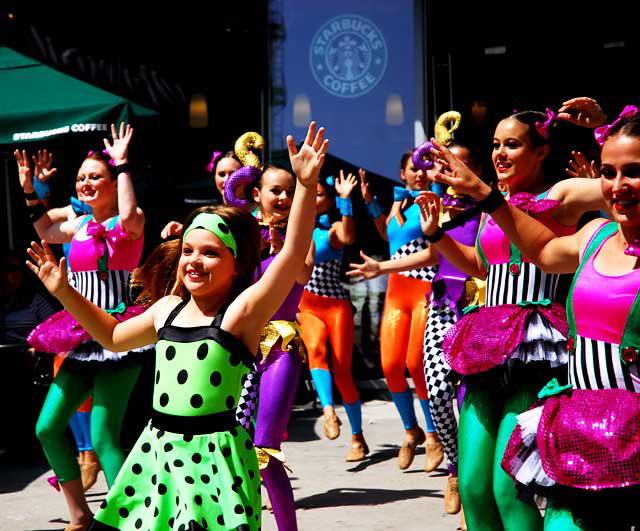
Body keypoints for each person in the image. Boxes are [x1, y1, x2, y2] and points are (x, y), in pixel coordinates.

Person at [26, 122, 327, 531]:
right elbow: (112, 337)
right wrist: (65, 293)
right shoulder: (167, 308)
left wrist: (306, 186)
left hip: (216, 458)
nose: (194, 261)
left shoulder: (242, 313)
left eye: (210, 253)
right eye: (188, 250)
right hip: (157, 453)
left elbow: (292, 255)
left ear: (237, 264)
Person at [429, 103, 640, 530]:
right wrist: (441, 230)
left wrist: (606, 129)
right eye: (495, 145)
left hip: (537, 350)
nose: (500, 153)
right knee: (472, 486)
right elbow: (498, 262)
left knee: (509, 490)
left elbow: (609, 191)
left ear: (541, 151)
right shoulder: (582, 233)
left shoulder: (559, 196)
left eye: (512, 144)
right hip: (493, 346)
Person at [16, 123, 146, 531]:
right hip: (81, 337)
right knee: (47, 427)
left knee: (106, 436)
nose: (86, 183)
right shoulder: (82, 226)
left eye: (95, 177)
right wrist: (29, 190)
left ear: (113, 182)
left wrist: (122, 163)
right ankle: (80, 514)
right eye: (81, 178)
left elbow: (127, 213)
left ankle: (131, 520)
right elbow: (45, 230)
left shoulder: (131, 222)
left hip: (118, 335)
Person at [349, 143, 482, 515]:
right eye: (443, 163)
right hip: (441, 300)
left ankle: (468, 478)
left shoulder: (491, 204)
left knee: (469, 397)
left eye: (461, 162)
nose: (448, 169)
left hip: (483, 306)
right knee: (433, 387)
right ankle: (445, 454)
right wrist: (383, 267)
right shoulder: (433, 207)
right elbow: (428, 250)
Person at [235, 162, 314, 531]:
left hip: (281, 346)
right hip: (240, 347)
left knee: (264, 450)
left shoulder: (301, 234)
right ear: (257, 195)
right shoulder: (244, 234)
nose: (283, 197)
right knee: (234, 446)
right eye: (275, 190)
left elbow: (302, 273)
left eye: (288, 191)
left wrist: (284, 245)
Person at [354, 153, 443, 471]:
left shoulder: (435, 202)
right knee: (391, 366)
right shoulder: (398, 204)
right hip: (395, 294)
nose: (419, 174)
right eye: (413, 169)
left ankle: (434, 435)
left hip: (424, 290)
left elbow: (436, 248)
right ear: (402, 173)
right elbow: (387, 234)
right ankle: (412, 431)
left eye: (424, 169)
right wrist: (370, 204)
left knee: (417, 364)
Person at [298, 171, 369, 462]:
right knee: (314, 351)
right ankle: (328, 412)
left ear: (327, 200)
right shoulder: (297, 227)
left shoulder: (333, 228)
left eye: (319, 195)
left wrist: (345, 201)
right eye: (310, 194)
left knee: (342, 371)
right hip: (308, 304)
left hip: (335, 304)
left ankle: (358, 436)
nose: (314, 200)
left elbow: (349, 235)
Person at [160, 150, 242, 239]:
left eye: (234, 174)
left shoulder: (257, 212)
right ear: (214, 177)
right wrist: (186, 230)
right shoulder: (212, 213)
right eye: (221, 174)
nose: (227, 180)